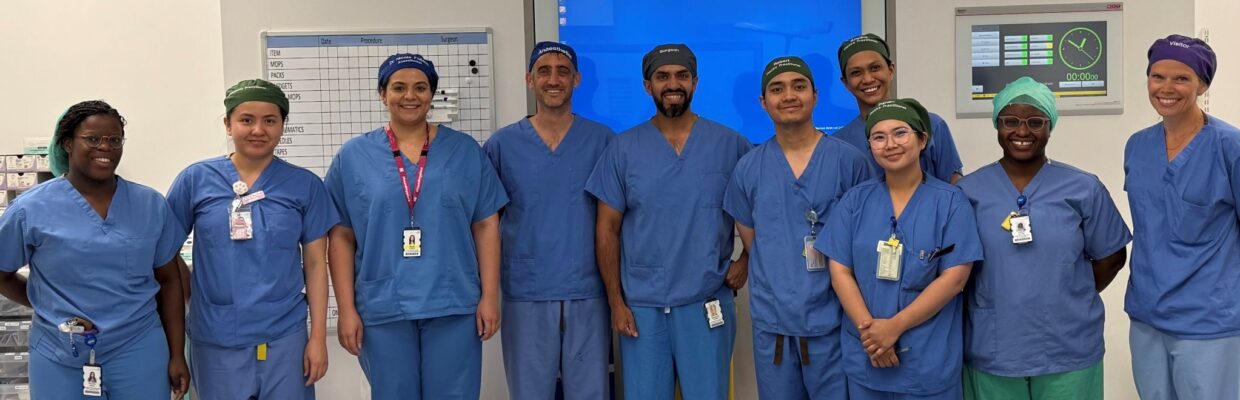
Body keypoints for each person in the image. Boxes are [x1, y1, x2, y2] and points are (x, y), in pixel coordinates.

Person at [325, 53, 507, 400]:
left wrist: (489, 296)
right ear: (383, 94)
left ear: (432, 94)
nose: (410, 96)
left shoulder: (465, 151)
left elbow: (486, 225)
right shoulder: (353, 157)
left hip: (453, 301)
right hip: (383, 305)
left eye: (420, 87)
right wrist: (346, 309)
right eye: (399, 87)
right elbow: (342, 236)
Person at [586, 43, 752, 400]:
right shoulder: (623, 149)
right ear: (648, 86)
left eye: (681, 76)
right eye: (662, 76)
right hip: (642, 308)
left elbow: (762, 213)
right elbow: (607, 230)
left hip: (706, 301)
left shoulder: (730, 145)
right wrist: (616, 302)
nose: (672, 84)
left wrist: (746, 261)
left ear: (695, 82)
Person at [0, 100, 189, 398]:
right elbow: (2, 273)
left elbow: (169, 280)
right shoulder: (29, 209)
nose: (106, 147)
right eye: (93, 139)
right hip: (58, 352)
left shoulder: (150, 205)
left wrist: (177, 354)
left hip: (138, 347)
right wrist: (46, 305)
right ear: (66, 144)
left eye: (114, 140)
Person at [958, 76, 1131, 400]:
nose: (1022, 132)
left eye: (1035, 122)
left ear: (1050, 127)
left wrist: (1068, 294)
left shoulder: (1083, 188)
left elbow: (1112, 256)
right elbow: (955, 269)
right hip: (993, 345)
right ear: (997, 125)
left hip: (1068, 346)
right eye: (1010, 121)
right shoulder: (969, 192)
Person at [166, 79, 337, 399]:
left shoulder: (305, 186)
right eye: (246, 120)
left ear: (282, 126)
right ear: (228, 125)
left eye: (270, 120)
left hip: (285, 336)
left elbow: (316, 264)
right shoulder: (195, 180)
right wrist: (193, 293)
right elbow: (163, 252)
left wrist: (317, 339)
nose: (258, 129)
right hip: (216, 337)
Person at [723, 56, 871, 399]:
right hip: (773, 328)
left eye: (799, 86)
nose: (789, 95)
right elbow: (754, 243)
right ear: (763, 102)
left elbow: (862, 243)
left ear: (815, 96)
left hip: (834, 324)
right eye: (777, 89)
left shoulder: (849, 162)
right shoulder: (748, 169)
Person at [817, 98, 982, 399]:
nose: (890, 144)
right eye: (878, 137)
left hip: (928, 362)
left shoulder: (950, 202)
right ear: (870, 147)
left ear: (923, 140)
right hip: (867, 358)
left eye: (900, 133)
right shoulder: (855, 201)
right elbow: (839, 269)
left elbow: (955, 278)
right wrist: (872, 334)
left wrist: (893, 328)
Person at [483, 42, 615, 400]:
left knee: (591, 392)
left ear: (577, 79)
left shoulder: (603, 141)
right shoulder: (502, 144)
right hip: (526, 290)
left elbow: (618, 222)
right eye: (544, 70)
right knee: (529, 393)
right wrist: (486, 294)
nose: (553, 79)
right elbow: (485, 225)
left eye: (562, 71)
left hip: (588, 290)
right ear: (530, 79)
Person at [1124, 34, 1240, 399]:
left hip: (1209, 321)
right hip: (1146, 315)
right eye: (1158, 76)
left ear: (1202, 84)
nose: (1167, 88)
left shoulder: (1229, 146)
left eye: (1182, 78)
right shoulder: (1137, 146)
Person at [832, 33, 964, 183]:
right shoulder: (840, 143)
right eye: (856, 73)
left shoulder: (931, 125)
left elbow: (954, 186)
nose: (868, 79)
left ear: (891, 70)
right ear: (845, 82)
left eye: (875, 68)